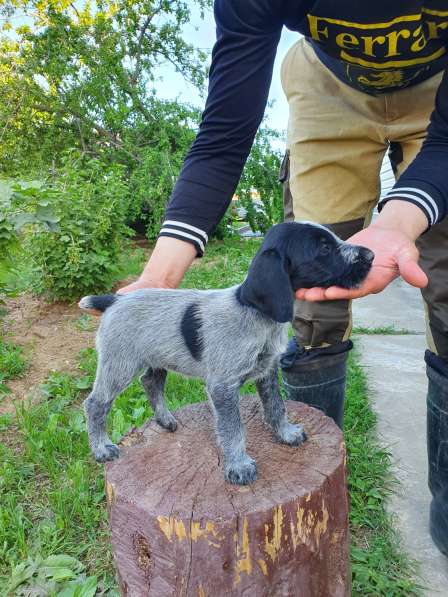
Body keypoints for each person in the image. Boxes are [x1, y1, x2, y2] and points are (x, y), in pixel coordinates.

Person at [118, 2, 448, 555]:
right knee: (314, 310)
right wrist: (160, 273)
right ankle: (311, 472)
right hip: (328, 87)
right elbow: (224, 133)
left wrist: (398, 221)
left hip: (439, 86)